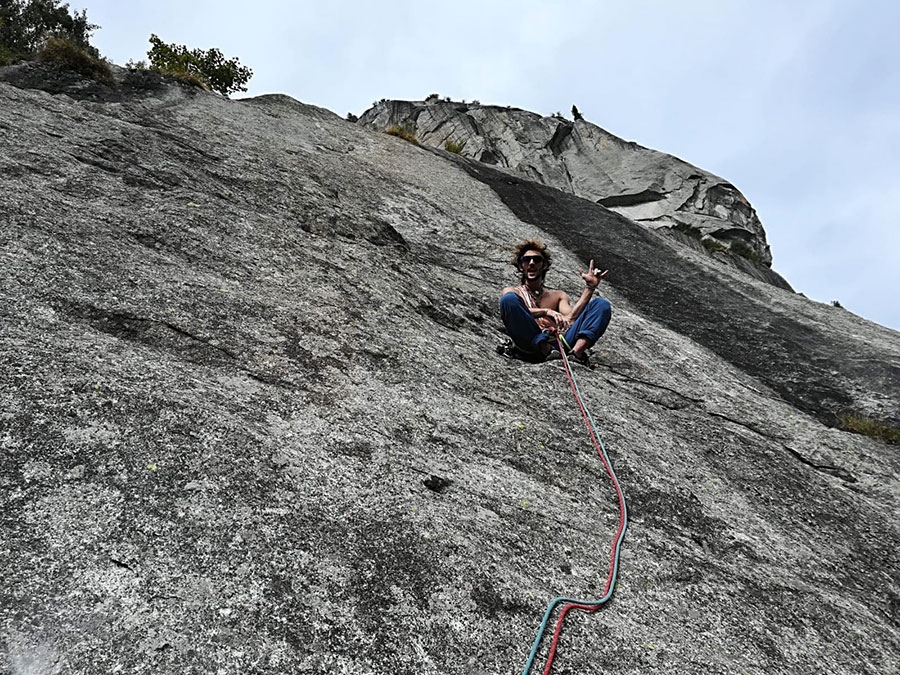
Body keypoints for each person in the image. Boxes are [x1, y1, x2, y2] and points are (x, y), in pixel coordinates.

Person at [499, 240, 611, 365]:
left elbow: (570, 319)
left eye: (536, 260)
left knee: (601, 304)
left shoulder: (557, 296)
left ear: (544, 265)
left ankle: (576, 353)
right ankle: (545, 349)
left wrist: (589, 288)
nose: (531, 263)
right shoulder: (513, 293)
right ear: (521, 266)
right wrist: (546, 312)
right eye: (526, 260)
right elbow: (515, 312)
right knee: (508, 299)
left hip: (559, 344)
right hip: (529, 345)